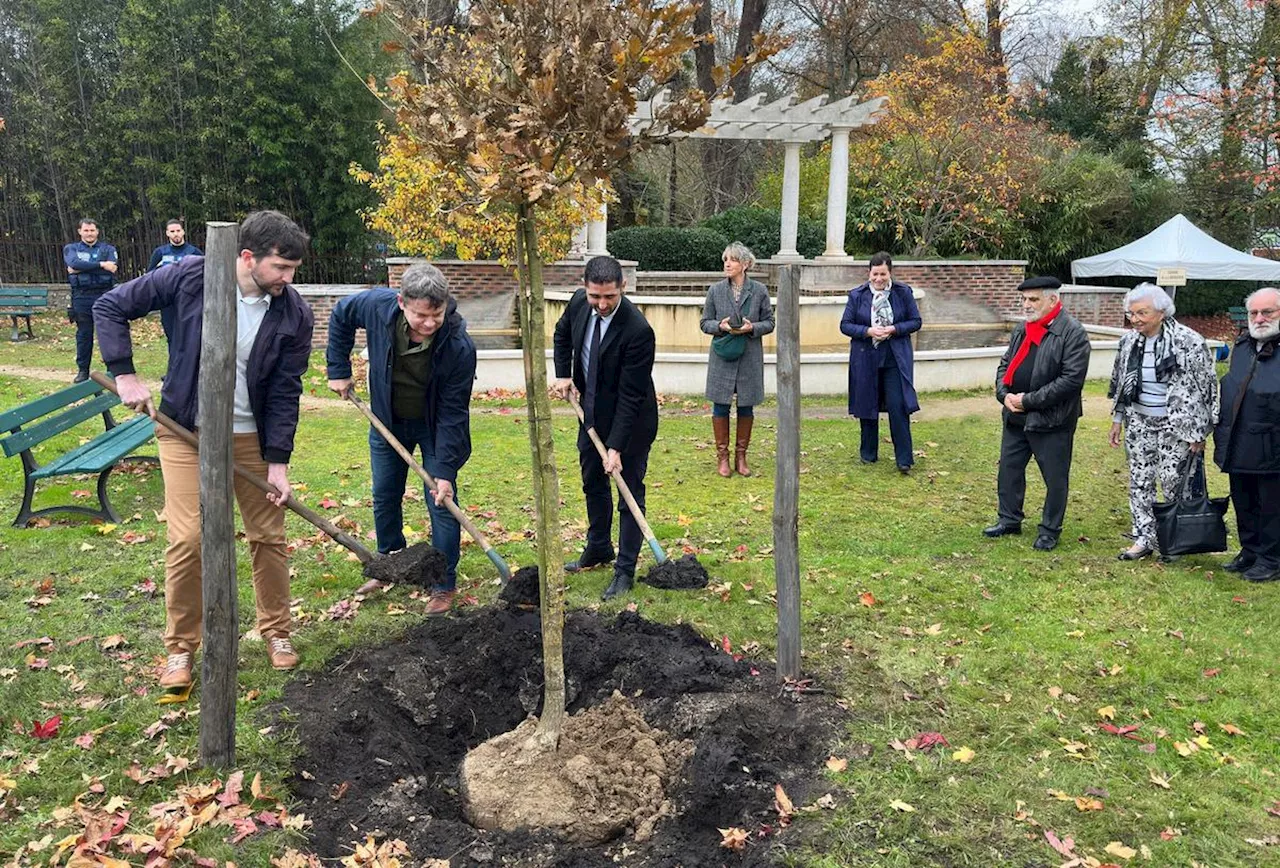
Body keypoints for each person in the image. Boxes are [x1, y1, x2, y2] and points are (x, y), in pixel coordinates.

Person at [93, 210, 314, 688]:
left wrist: (277, 463)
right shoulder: (190, 275)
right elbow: (110, 306)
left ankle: (276, 631)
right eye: (281, 267)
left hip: (250, 437)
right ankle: (180, 648)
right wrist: (124, 373)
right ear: (248, 256)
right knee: (188, 539)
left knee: (268, 535)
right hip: (184, 430)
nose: (288, 278)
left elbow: (284, 391)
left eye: (294, 269)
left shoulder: (293, 312)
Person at [326, 264, 476, 612]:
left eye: (436, 315)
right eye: (421, 315)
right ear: (401, 302)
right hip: (386, 421)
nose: (428, 323)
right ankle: (389, 565)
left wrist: (446, 471)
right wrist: (338, 369)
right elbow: (341, 315)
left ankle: (443, 582)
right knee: (385, 494)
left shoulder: (458, 345)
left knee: (442, 502)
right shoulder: (378, 307)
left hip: (435, 427)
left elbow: (454, 412)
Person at [551, 255, 658, 601]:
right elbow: (562, 333)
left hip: (632, 422)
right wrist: (563, 373)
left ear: (623, 288)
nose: (601, 304)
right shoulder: (580, 305)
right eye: (595, 296)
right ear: (585, 288)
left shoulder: (638, 331)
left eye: (609, 297)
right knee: (592, 482)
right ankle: (598, 547)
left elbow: (631, 395)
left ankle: (625, 569)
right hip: (590, 414)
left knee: (628, 492)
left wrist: (616, 447)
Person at [1107, 283, 1219, 561]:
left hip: (1177, 425)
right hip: (1139, 422)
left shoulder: (1188, 340)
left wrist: (1201, 431)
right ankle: (1144, 537)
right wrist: (1118, 419)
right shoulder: (1129, 341)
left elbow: (1207, 386)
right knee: (1140, 480)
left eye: (1141, 312)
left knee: (1173, 482)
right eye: (1131, 313)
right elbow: (1120, 383)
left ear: (1161, 311)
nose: (1135, 319)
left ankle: (1173, 540)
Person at [985, 276, 1091, 551]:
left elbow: (1070, 380)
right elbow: (1005, 363)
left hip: (1052, 420)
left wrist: (1028, 401)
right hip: (1015, 415)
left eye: (1033, 299)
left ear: (1053, 300)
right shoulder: (1023, 329)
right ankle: (1009, 519)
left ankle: (1049, 530)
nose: (1027, 305)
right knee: (1009, 470)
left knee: (1055, 478)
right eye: (1024, 299)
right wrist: (1004, 394)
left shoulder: (1073, 332)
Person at [1213, 286, 1280, 582]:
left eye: (1268, 312)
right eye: (1254, 312)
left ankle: (1272, 558)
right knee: (1244, 499)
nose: (1260, 318)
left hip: (1273, 442)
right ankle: (1250, 550)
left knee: (1271, 505)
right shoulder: (1242, 345)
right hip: (1239, 439)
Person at [839, 251, 921, 473]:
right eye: (875, 274)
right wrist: (868, 331)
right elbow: (845, 325)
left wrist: (894, 329)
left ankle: (904, 459)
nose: (878, 279)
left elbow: (915, 321)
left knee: (898, 406)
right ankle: (868, 454)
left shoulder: (903, 293)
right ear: (869, 273)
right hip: (866, 357)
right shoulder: (857, 295)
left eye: (883, 274)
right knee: (867, 404)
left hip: (894, 358)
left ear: (890, 272)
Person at [700, 242, 774, 477]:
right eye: (725, 260)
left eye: (732, 260)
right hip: (722, 355)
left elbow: (770, 323)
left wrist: (752, 327)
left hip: (749, 356)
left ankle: (741, 456)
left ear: (745, 264)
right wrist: (720, 326)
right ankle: (723, 457)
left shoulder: (760, 290)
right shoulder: (715, 290)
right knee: (720, 405)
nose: (727, 264)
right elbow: (704, 323)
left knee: (746, 406)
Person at [63, 218, 119, 383]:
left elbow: (112, 269)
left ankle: (112, 370)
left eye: (92, 230)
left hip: (105, 295)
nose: (89, 233)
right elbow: (73, 262)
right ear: (80, 231)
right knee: (84, 335)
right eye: (86, 230)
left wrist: (81, 268)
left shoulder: (108, 249)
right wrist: (102, 265)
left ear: (97, 231)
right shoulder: (71, 248)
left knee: (109, 334)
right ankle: (83, 370)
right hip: (82, 297)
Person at [148, 219, 203, 347]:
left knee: (189, 338)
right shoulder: (160, 253)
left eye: (178, 231)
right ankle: (174, 366)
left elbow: (204, 274)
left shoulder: (194, 252)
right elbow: (150, 276)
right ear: (167, 233)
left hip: (188, 301)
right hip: (167, 302)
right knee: (172, 338)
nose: (176, 234)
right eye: (172, 231)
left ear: (183, 232)